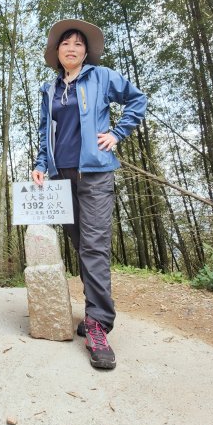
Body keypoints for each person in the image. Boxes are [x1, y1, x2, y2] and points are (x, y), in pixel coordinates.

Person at [32, 19, 147, 370]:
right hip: (60, 178)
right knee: (82, 246)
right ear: (56, 52)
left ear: (86, 52)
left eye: (79, 44)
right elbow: (43, 133)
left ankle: (98, 324)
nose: (72, 47)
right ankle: (96, 311)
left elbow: (136, 100)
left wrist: (117, 133)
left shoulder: (101, 77)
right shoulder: (48, 91)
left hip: (95, 173)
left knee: (95, 246)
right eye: (65, 42)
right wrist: (40, 164)